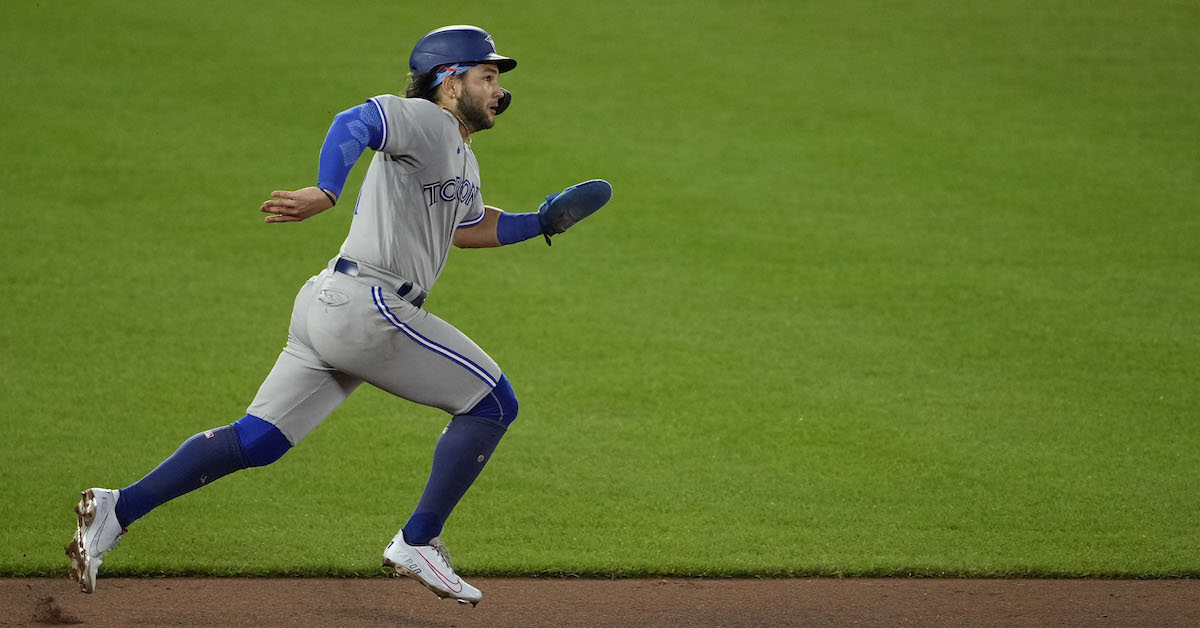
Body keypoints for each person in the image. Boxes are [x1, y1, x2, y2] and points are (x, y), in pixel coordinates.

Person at [65, 25, 611, 606]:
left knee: (258, 439)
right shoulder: (423, 119)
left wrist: (540, 222)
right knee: (493, 403)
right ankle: (418, 540)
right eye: (488, 76)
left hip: (330, 304)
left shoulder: (460, 156)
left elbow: (466, 227)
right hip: (369, 308)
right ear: (450, 83)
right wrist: (327, 191)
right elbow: (356, 121)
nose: (499, 92)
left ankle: (117, 509)